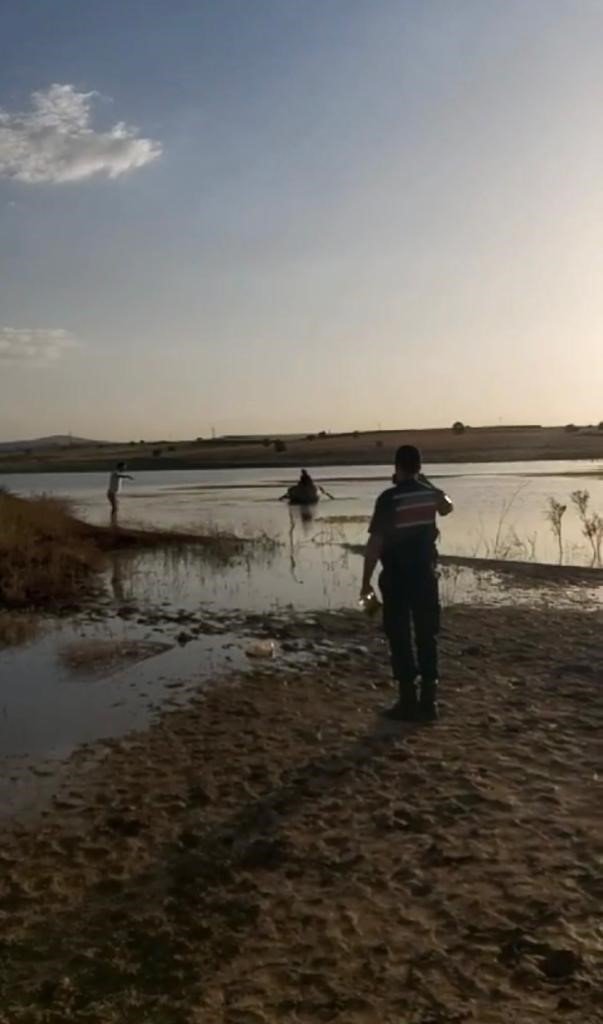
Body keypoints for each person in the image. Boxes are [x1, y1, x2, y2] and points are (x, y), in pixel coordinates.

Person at [360, 445, 453, 721]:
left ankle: (407, 700)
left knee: (399, 637)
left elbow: (375, 543)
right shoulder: (429, 495)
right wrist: (424, 483)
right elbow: (448, 506)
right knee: (427, 636)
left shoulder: (389, 499)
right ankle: (429, 702)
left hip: (397, 579)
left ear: (396, 466)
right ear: (420, 466)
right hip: (426, 576)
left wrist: (365, 583)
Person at [107, 462, 133, 526]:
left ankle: (114, 521)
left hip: (114, 493)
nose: (125, 468)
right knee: (115, 507)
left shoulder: (117, 473)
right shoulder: (114, 472)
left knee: (116, 507)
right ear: (120, 467)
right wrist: (127, 476)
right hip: (112, 493)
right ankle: (113, 522)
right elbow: (118, 476)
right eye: (124, 467)